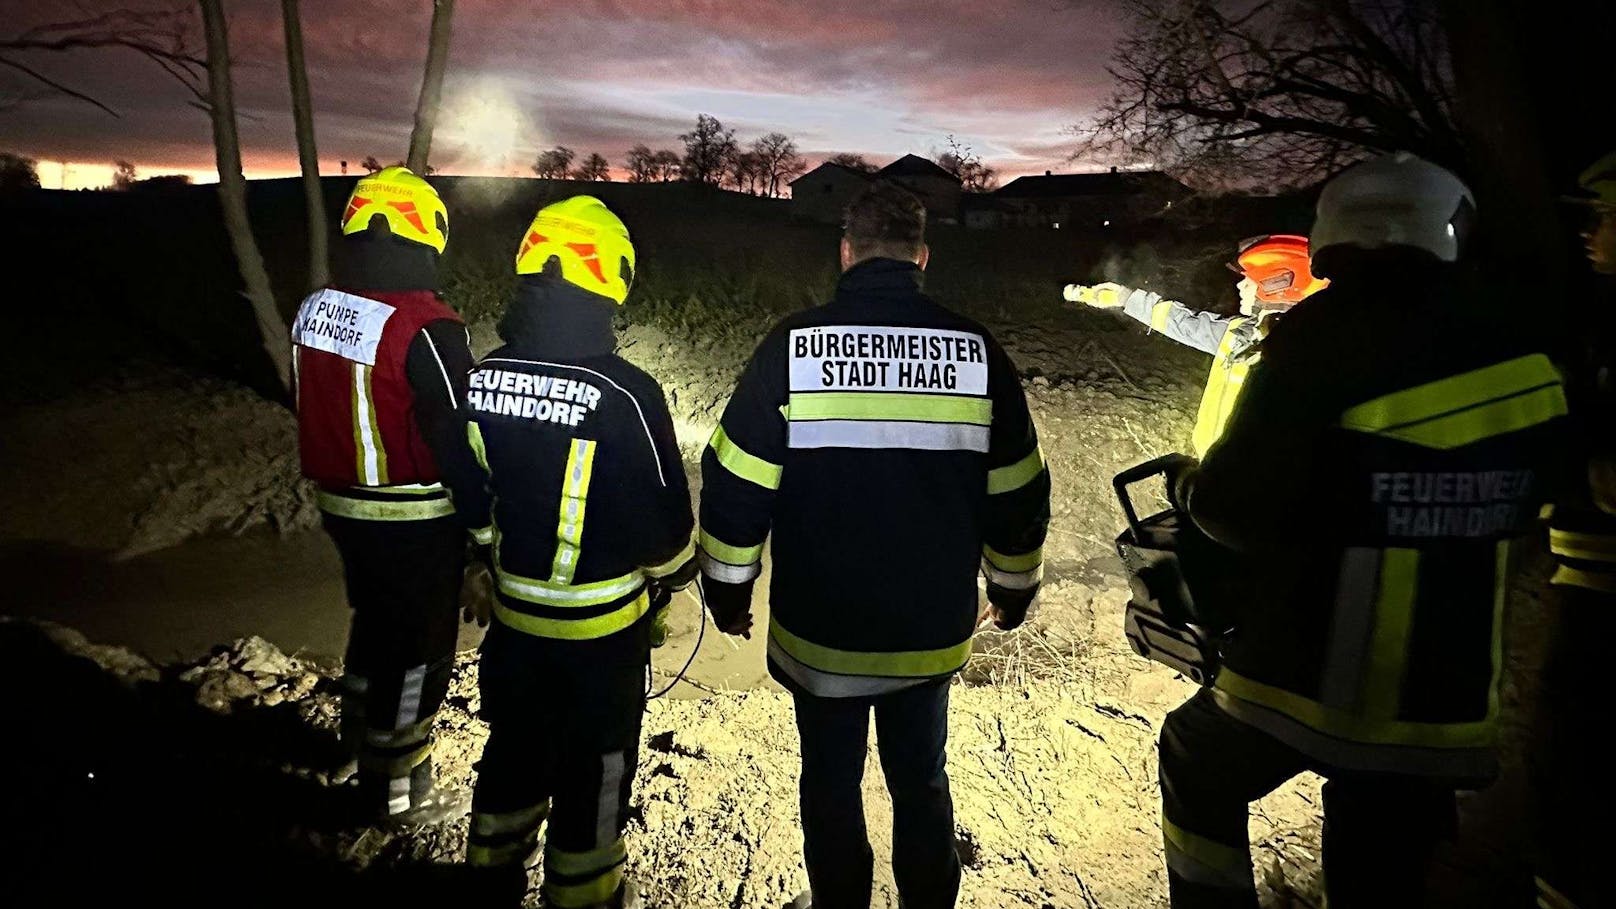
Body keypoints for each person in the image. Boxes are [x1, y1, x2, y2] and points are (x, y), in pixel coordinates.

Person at [1156, 153, 1569, 908]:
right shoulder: (1525, 346)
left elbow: (1234, 510)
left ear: (1337, 233)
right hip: (1447, 701)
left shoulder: (1317, 336)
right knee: (1381, 866)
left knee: (1195, 755)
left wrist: (1186, 482)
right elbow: (1546, 495)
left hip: (1307, 676)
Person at [696, 181, 1051, 909]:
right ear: (923, 256)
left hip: (820, 637)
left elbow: (735, 485)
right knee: (921, 775)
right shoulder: (977, 353)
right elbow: (1018, 494)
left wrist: (728, 592)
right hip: (928, 636)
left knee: (828, 778)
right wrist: (1012, 591)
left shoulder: (791, 349)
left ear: (846, 253)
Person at [444, 196, 695, 908]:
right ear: (610, 278)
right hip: (602, 637)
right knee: (598, 765)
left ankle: (489, 879)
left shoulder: (484, 376)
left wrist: (485, 561)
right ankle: (583, 894)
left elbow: (472, 490)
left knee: (513, 751)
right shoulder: (625, 392)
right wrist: (677, 577)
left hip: (515, 625)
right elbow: (665, 530)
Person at [291, 165, 479, 825]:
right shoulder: (428, 326)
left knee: (374, 623)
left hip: (341, 508)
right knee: (421, 647)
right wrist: (484, 531)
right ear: (427, 231)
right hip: (415, 515)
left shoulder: (316, 309)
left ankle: (355, 740)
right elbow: (462, 438)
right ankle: (396, 789)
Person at [1534, 148, 1616, 909]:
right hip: (1585, 577)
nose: (1592, 231)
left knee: (1578, 761)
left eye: (1606, 215)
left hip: (1606, 591)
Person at [1065, 234, 1327, 457]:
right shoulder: (1239, 333)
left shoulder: (1309, 357)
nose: (1239, 284)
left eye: (1249, 280)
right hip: (1214, 469)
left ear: (1277, 285)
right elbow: (1182, 322)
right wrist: (1126, 298)